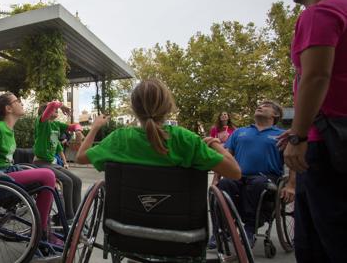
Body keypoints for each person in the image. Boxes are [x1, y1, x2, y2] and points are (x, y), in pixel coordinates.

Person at [76, 78, 241, 225]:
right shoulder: (186, 140)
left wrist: (95, 127)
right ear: (168, 106)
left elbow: (80, 157)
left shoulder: (120, 138)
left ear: (134, 108)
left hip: (127, 227)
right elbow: (235, 172)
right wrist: (213, 144)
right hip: (180, 229)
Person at [280, 0, 347, 263]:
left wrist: (299, 135)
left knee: (323, 240)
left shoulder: (321, 13)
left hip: (327, 144)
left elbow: (317, 75)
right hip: (332, 135)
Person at [0, 92, 59, 246]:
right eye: (18, 101)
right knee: (48, 175)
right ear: (8, 108)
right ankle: (39, 234)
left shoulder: (8, 129)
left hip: (5, 171)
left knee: (48, 179)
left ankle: (44, 229)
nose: (21, 103)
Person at [214, 101, 295, 246]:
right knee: (224, 184)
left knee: (257, 184)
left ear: (275, 115)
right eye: (260, 105)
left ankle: (250, 229)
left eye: (266, 106)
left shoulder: (282, 135)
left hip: (266, 177)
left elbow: (292, 161)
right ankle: (223, 228)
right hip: (238, 175)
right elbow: (225, 157)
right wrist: (216, 178)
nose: (260, 106)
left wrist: (291, 185)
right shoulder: (240, 132)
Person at [32, 101, 84, 220]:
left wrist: (78, 131)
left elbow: (74, 126)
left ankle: (77, 217)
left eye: (57, 110)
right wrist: (62, 105)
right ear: (46, 112)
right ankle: (67, 217)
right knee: (67, 181)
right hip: (40, 163)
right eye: (54, 110)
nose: (56, 111)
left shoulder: (56, 125)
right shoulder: (42, 122)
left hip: (51, 163)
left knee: (77, 181)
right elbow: (52, 105)